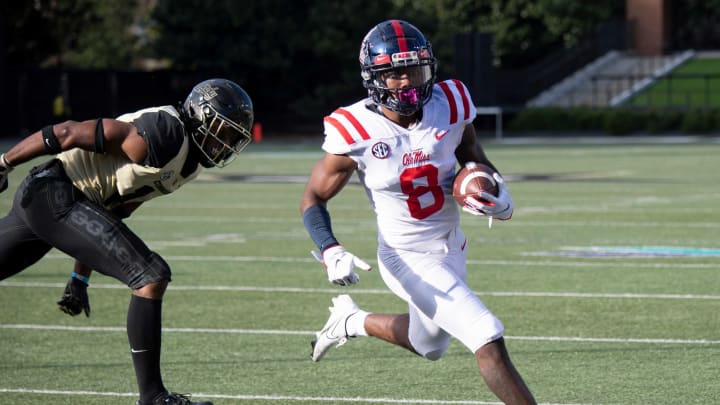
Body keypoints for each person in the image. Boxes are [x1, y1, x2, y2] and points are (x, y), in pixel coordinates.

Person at [300, 20, 536, 404]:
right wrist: (330, 250)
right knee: (486, 334)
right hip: (405, 256)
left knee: (429, 345)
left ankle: (351, 320)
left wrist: (498, 190)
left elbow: (474, 160)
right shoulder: (354, 128)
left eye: (415, 69)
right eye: (394, 74)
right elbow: (312, 198)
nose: (407, 81)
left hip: (451, 247)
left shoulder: (451, 103)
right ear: (374, 78)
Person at [0, 78, 254, 405]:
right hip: (54, 192)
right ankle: (152, 397)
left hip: (55, 199)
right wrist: (5, 163)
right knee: (150, 275)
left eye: (233, 138)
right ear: (201, 115)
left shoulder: (187, 163)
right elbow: (66, 132)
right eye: (223, 132)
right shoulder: (165, 133)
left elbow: (112, 213)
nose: (225, 144)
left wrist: (80, 277)